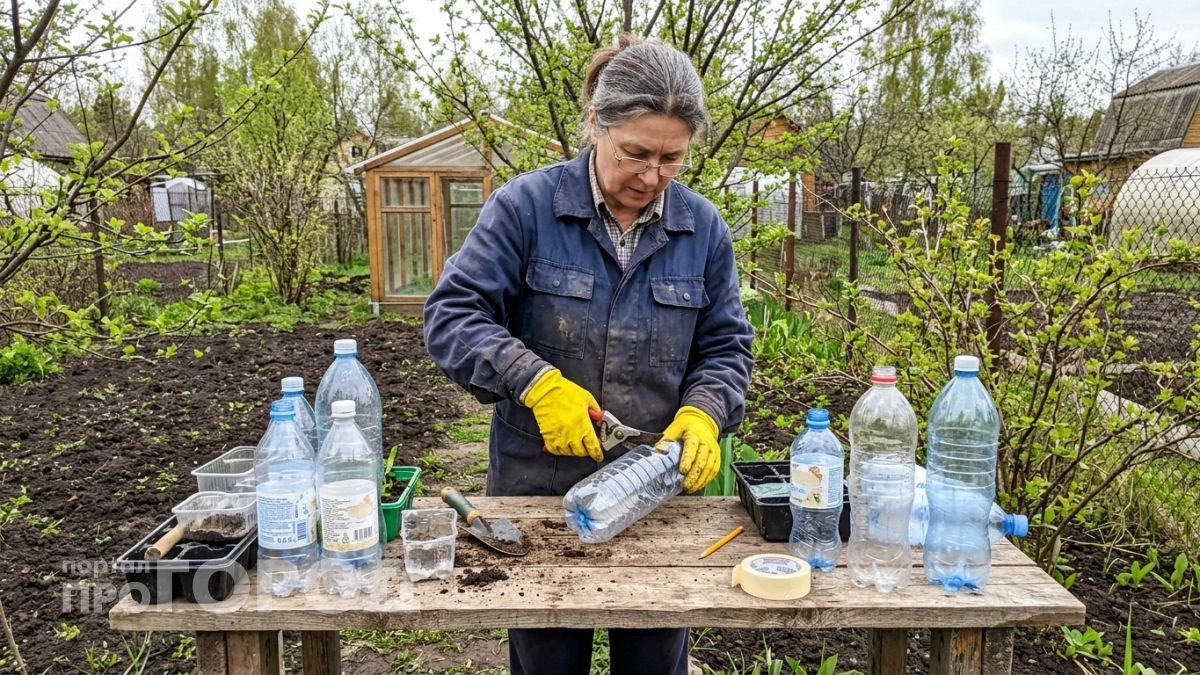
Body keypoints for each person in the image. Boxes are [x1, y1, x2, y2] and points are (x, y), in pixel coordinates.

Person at [423, 34, 754, 675]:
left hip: (654, 494)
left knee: (655, 664)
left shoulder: (703, 228)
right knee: (548, 663)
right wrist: (536, 382)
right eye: (635, 153)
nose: (651, 177)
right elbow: (452, 316)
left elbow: (725, 344)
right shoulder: (525, 208)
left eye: (671, 160)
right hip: (537, 496)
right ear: (596, 125)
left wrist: (706, 412)